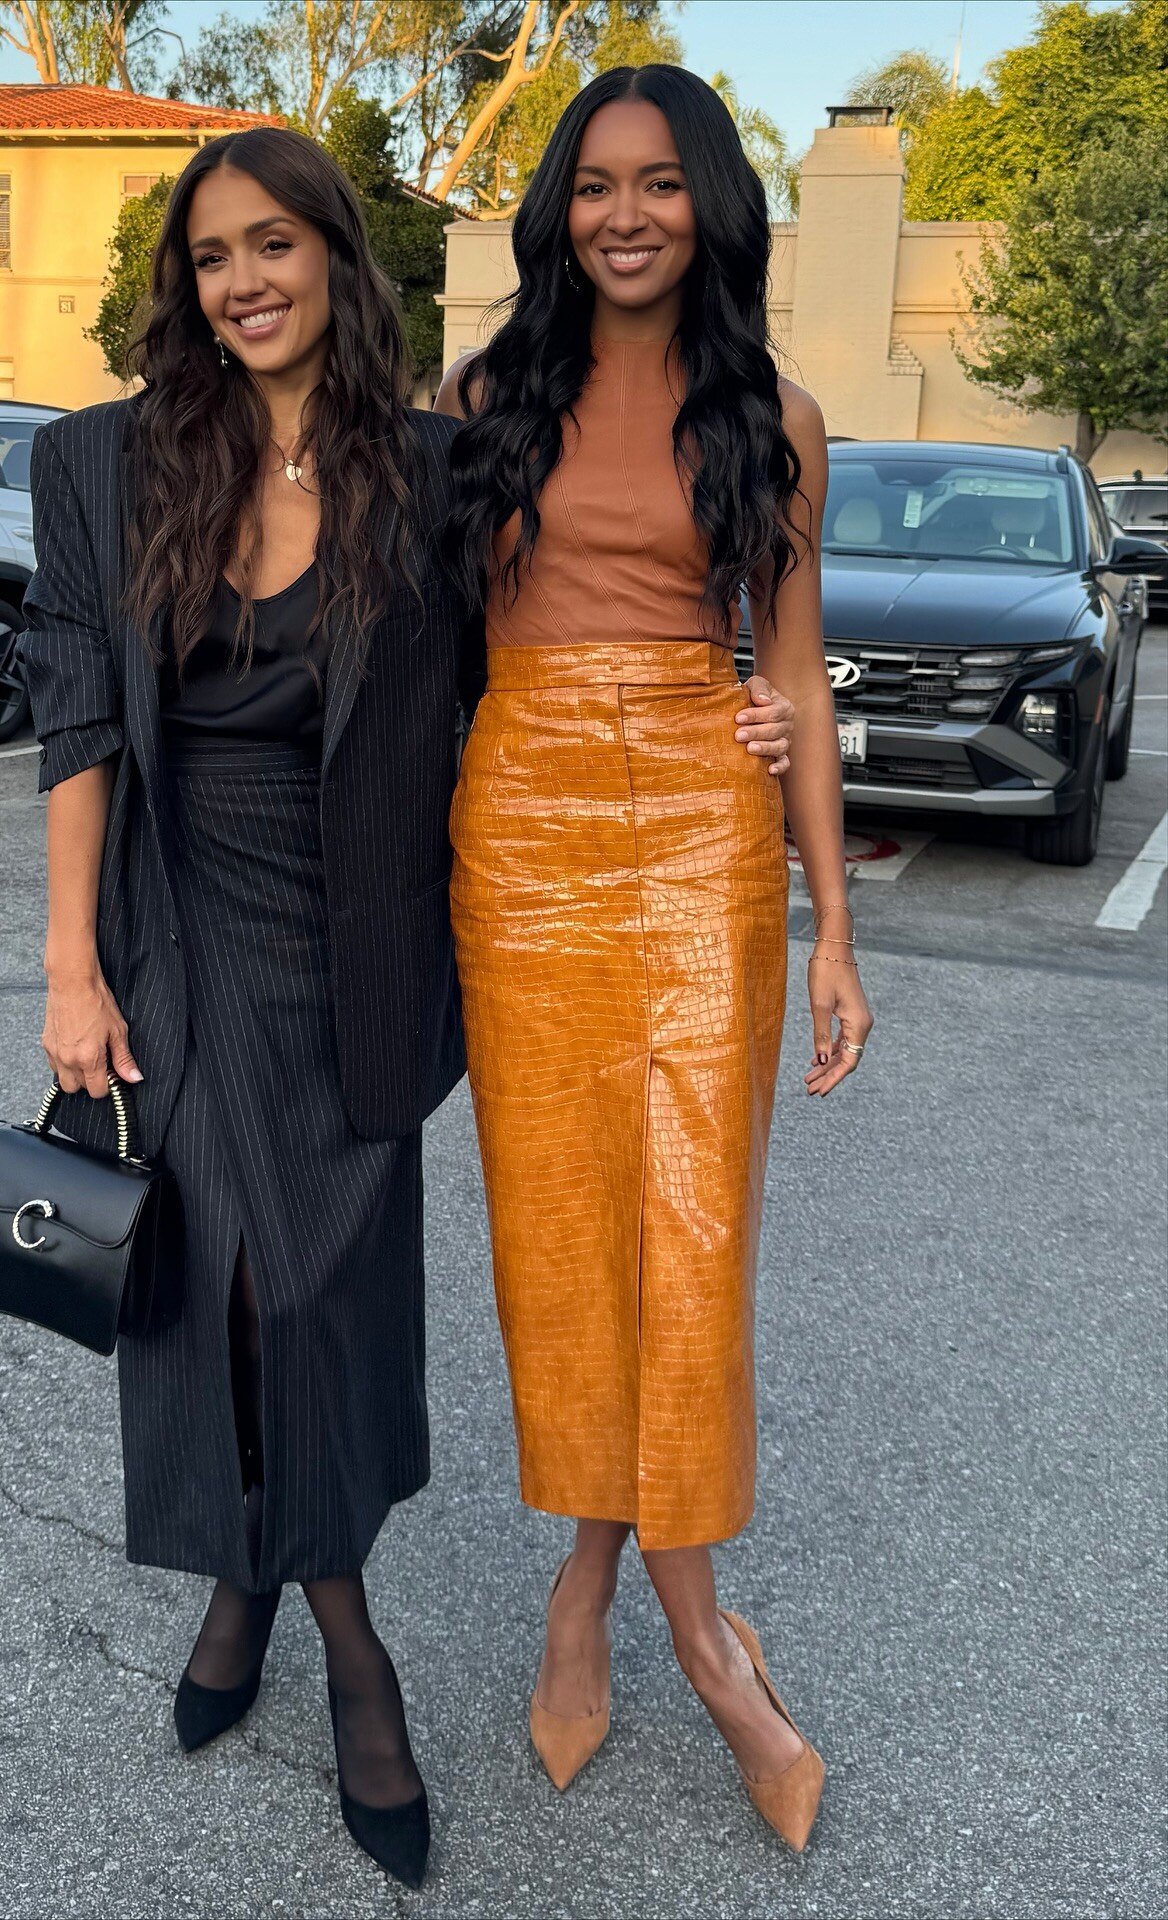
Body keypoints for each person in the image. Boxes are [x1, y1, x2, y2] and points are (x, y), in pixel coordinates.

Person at [19, 124, 794, 1891]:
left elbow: (578, 628)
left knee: (319, 1298)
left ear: (336, 258)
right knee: (231, 1293)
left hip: (366, 944)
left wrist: (735, 709)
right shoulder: (103, 464)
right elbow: (74, 725)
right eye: (213, 255)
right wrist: (70, 966)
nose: (246, 281)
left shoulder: (433, 469)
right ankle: (354, 1659)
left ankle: (241, 1594)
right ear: (187, 287)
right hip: (180, 935)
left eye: (275, 243)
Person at [438, 64, 872, 1854]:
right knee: (560, 1233)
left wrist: (835, 922)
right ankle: (614, 1593)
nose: (627, 215)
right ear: (561, 209)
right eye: (598, 185)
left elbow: (795, 676)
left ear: (712, 207)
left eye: (662, 184)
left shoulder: (777, 415)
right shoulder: (482, 400)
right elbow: (419, 640)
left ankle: (677, 1632)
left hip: (704, 832)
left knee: (690, 1239)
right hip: (521, 832)